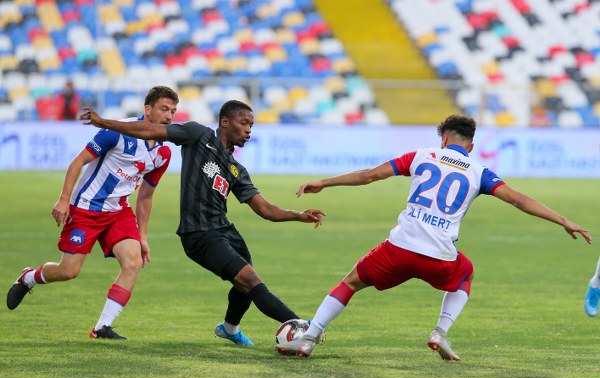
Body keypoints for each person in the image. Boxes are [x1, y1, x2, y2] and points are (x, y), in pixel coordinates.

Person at [276, 114, 592, 360]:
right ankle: (439, 333)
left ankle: (308, 338)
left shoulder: (421, 155)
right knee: (465, 272)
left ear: (443, 138)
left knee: (349, 283)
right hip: (440, 256)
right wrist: (563, 219)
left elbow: (369, 175)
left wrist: (324, 182)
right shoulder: (478, 171)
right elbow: (519, 200)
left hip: (398, 248)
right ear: (470, 145)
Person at [79, 100, 326, 347]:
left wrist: (298, 214)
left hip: (225, 231)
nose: (249, 129)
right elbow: (150, 131)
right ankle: (303, 327)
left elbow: (265, 209)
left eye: (251, 125)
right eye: (244, 123)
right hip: (199, 234)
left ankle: (229, 329)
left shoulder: (236, 169)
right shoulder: (198, 135)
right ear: (225, 122)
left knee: (244, 285)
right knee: (250, 281)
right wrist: (103, 123)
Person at [7, 85, 179, 340]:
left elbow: (145, 195)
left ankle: (102, 327)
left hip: (119, 211)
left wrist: (142, 236)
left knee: (133, 262)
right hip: (87, 208)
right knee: (69, 271)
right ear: (148, 109)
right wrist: (64, 200)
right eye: (164, 109)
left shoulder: (163, 152)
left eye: (173, 111)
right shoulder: (116, 133)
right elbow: (78, 162)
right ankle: (29, 277)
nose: (169, 116)